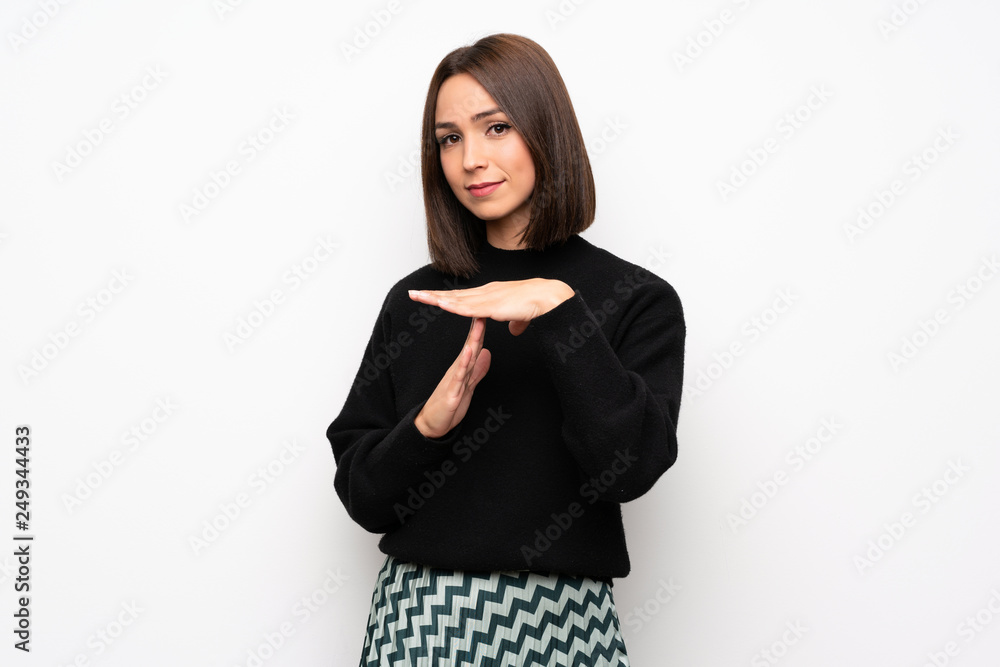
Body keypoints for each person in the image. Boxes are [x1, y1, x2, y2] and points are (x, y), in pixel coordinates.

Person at [328, 32, 685, 666]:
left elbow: (629, 471)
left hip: (568, 624)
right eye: (450, 137)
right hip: (421, 621)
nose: (469, 159)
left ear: (546, 131)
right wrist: (428, 426)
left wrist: (561, 317)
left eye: (495, 128)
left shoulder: (636, 299)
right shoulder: (417, 301)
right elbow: (366, 501)